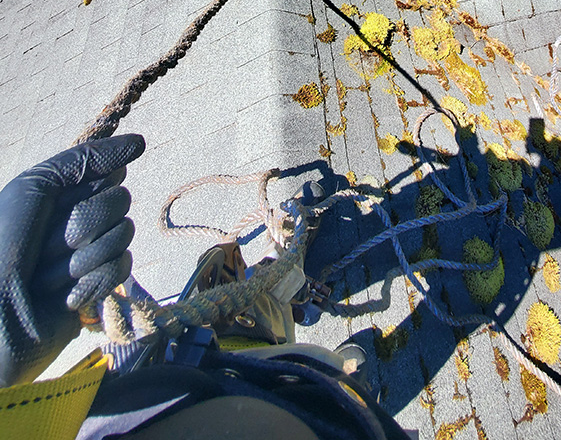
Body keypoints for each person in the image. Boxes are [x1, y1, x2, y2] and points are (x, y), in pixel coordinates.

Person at [0, 135, 411, 440]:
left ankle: (303, 333)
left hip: (124, 388)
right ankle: (320, 364)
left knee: (230, 302)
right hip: (219, 394)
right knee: (295, 354)